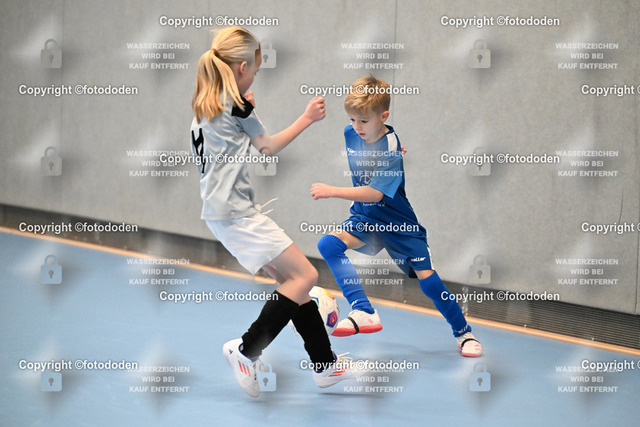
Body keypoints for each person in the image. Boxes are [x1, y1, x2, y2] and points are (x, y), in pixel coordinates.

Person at [189, 26, 365, 397]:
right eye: (253, 70)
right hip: (237, 213)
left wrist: (247, 110)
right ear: (241, 68)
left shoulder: (206, 106)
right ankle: (246, 350)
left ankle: (325, 365)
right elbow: (267, 147)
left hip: (220, 214)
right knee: (305, 274)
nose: (254, 77)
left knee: (292, 281)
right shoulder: (236, 104)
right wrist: (307, 118)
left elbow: (228, 142)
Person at [310, 75, 483, 357]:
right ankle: (364, 310)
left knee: (429, 282)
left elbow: (376, 193)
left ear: (384, 116)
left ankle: (464, 333)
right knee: (329, 244)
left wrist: (332, 191)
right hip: (366, 219)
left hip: (398, 224)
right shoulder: (351, 133)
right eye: (352, 119)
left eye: (363, 121)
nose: (357, 126)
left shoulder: (390, 148)